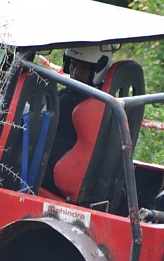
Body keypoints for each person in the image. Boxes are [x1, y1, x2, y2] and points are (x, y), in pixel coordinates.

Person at [41, 46, 112, 194]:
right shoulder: (95, 97)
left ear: (97, 70)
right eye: (73, 64)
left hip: (50, 170)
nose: (75, 71)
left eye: (83, 67)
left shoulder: (78, 101)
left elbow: (37, 116)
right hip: (64, 166)